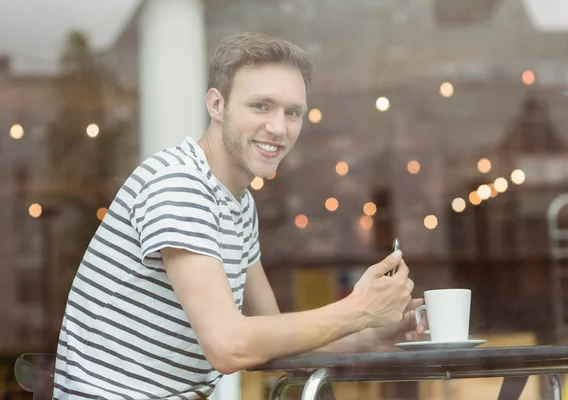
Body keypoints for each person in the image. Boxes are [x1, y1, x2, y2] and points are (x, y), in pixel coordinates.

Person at [52, 32, 427, 399]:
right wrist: (358, 310)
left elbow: (274, 341)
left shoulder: (238, 203)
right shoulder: (179, 184)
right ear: (217, 105)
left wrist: (370, 333)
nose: (278, 127)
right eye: (261, 106)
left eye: (292, 112)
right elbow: (229, 345)